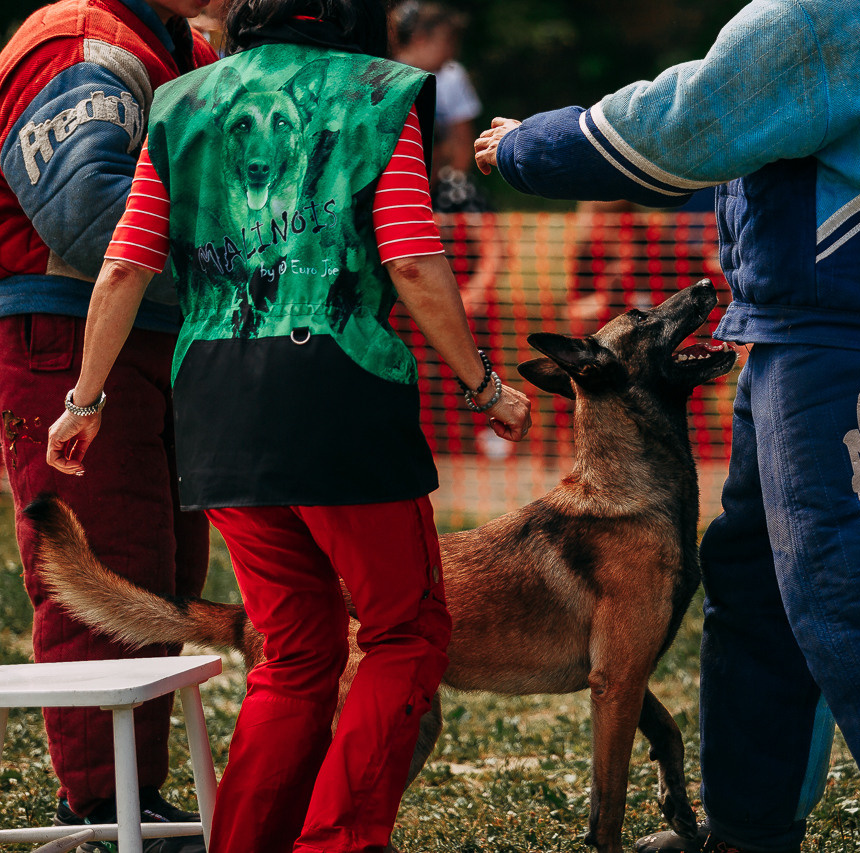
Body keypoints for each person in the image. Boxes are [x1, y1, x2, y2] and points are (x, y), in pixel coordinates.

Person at [475, 1, 860, 852]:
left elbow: (698, 117)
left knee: (854, 579)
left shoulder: (832, 6)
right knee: (761, 574)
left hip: (837, 327)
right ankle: (748, 827)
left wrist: (536, 146)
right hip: (805, 321)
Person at [44, 0, 532, 850]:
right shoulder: (383, 93)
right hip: (340, 395)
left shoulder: (183, 101)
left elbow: (124, 265)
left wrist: (82, 403)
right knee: (406, 632)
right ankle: (338, 842)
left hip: (218, 405)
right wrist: (484, 383)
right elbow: (413, 256)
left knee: (298, 649)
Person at [0, 0, 219, 846]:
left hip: (158, 329)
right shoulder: (77, 42)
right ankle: (97, 803)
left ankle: (140, 797)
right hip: (70, 326)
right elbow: (88, 215)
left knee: (169, 571)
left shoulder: (186, 42)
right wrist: (243, 249)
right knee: (107, 567)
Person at [389, 0, 486, 212]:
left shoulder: (452, 75)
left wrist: (451, 181)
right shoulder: (387, 77)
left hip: (438, 182)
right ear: (420, 39)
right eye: (447, 42)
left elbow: (462, 140)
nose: (452, 52)